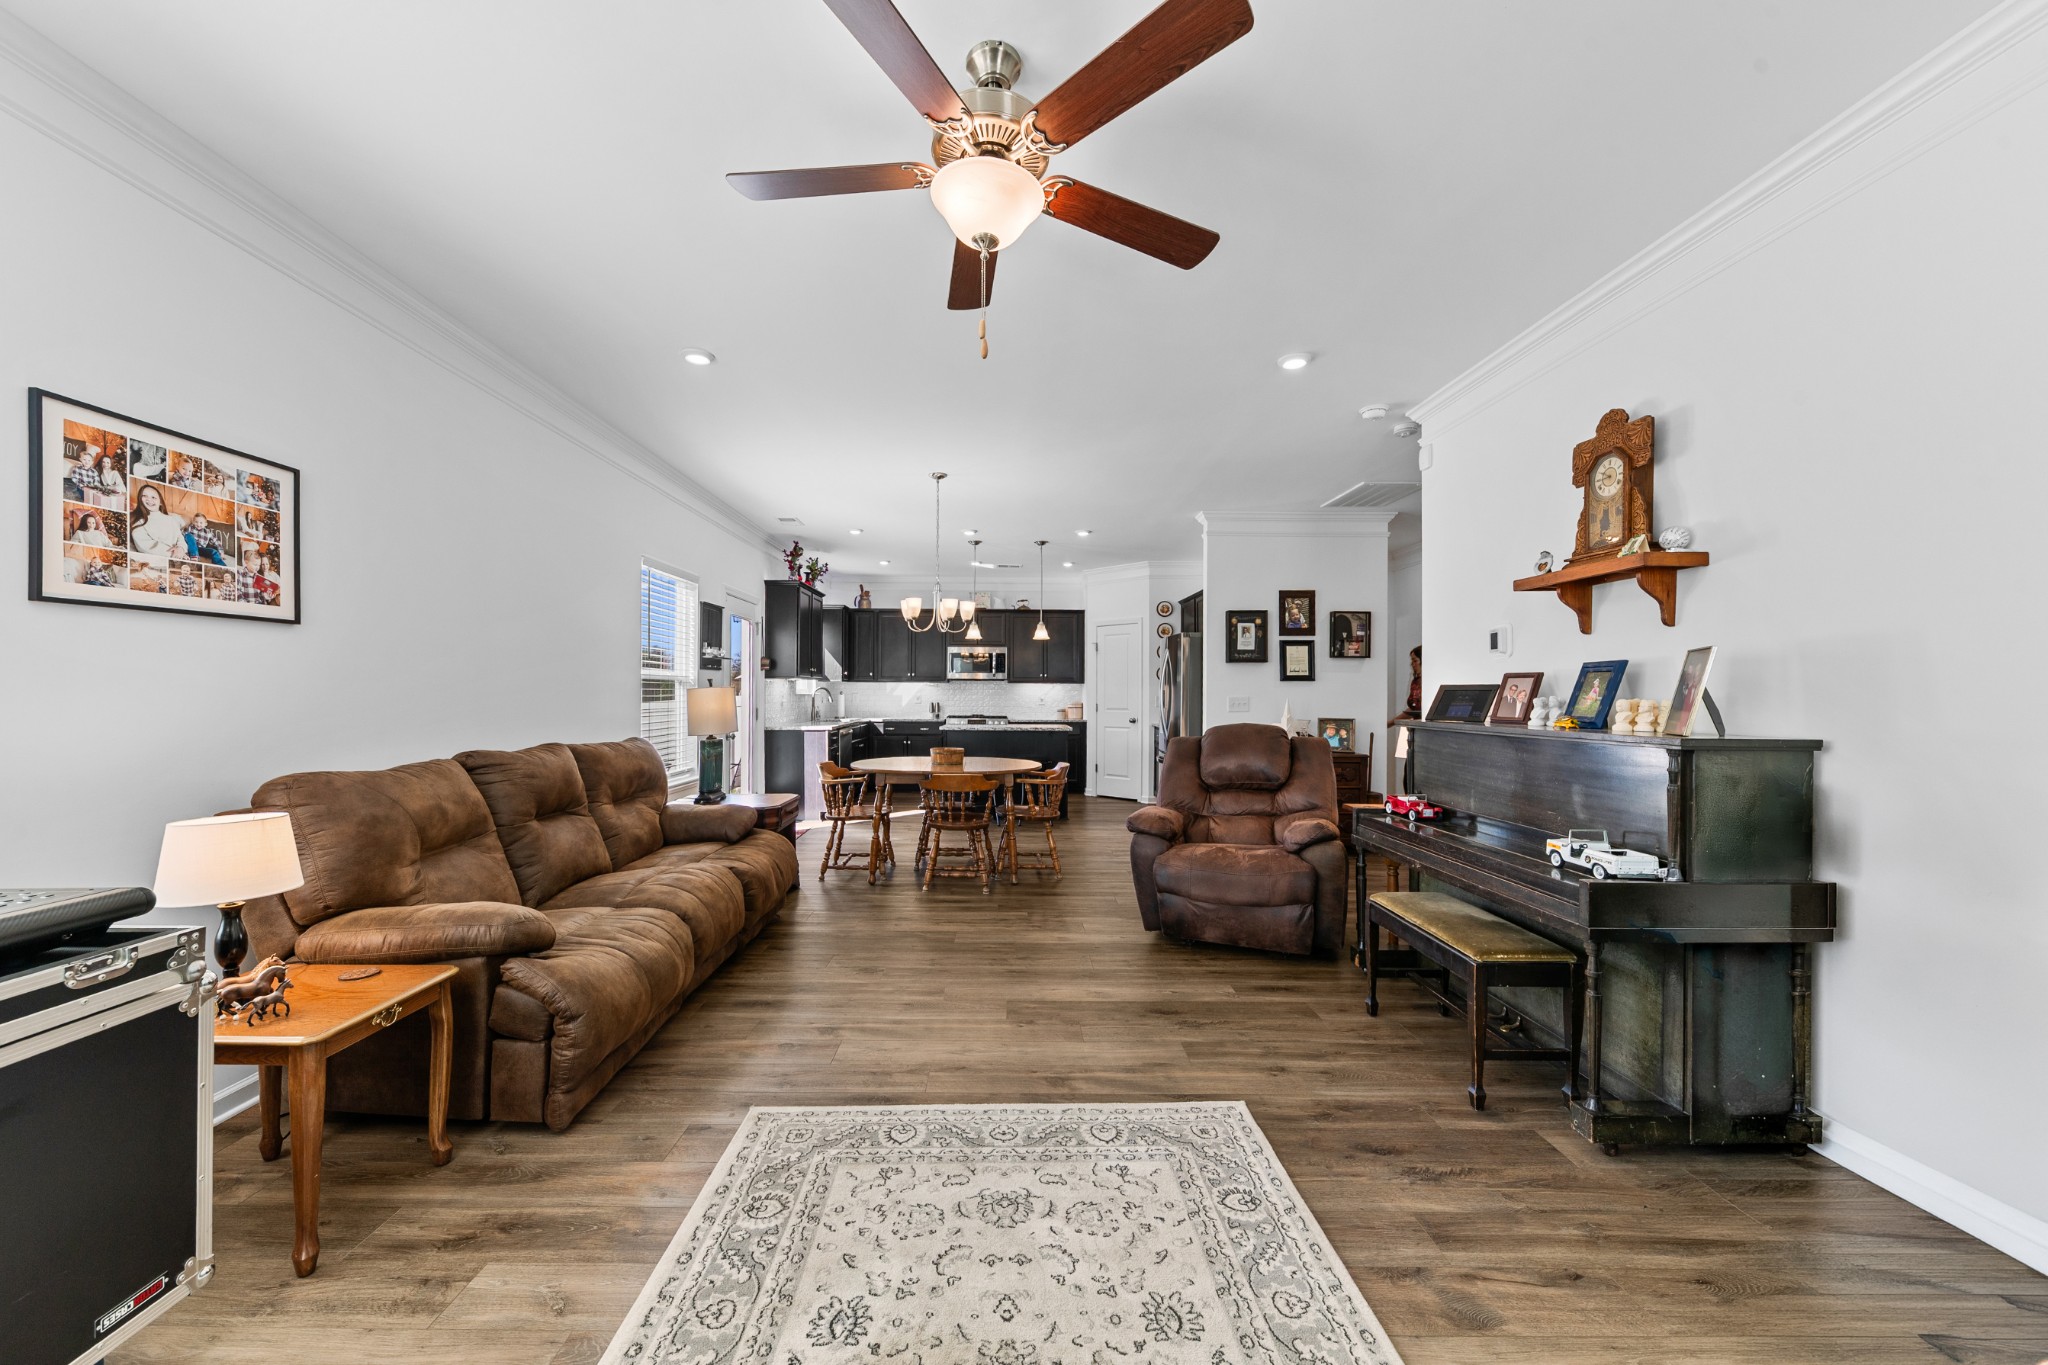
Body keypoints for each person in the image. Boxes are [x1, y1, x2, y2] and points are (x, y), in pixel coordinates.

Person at [129, 483, 186, 556]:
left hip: (179, 554)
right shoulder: (138, 520)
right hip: (167, 556)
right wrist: (174, 554)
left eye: (153, 497)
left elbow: (180, 538)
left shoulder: (171, 519)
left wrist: (181, 548)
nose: (149, 499)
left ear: (160, 503)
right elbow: (145, 546)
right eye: (144, 496)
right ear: (140, 500)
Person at [1405, 646, 1423, 717]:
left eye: (1415, 661)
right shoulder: (1415, 682)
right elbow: (1413, 709)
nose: (1412, 664)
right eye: (1412, 661)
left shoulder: (1432, 683)